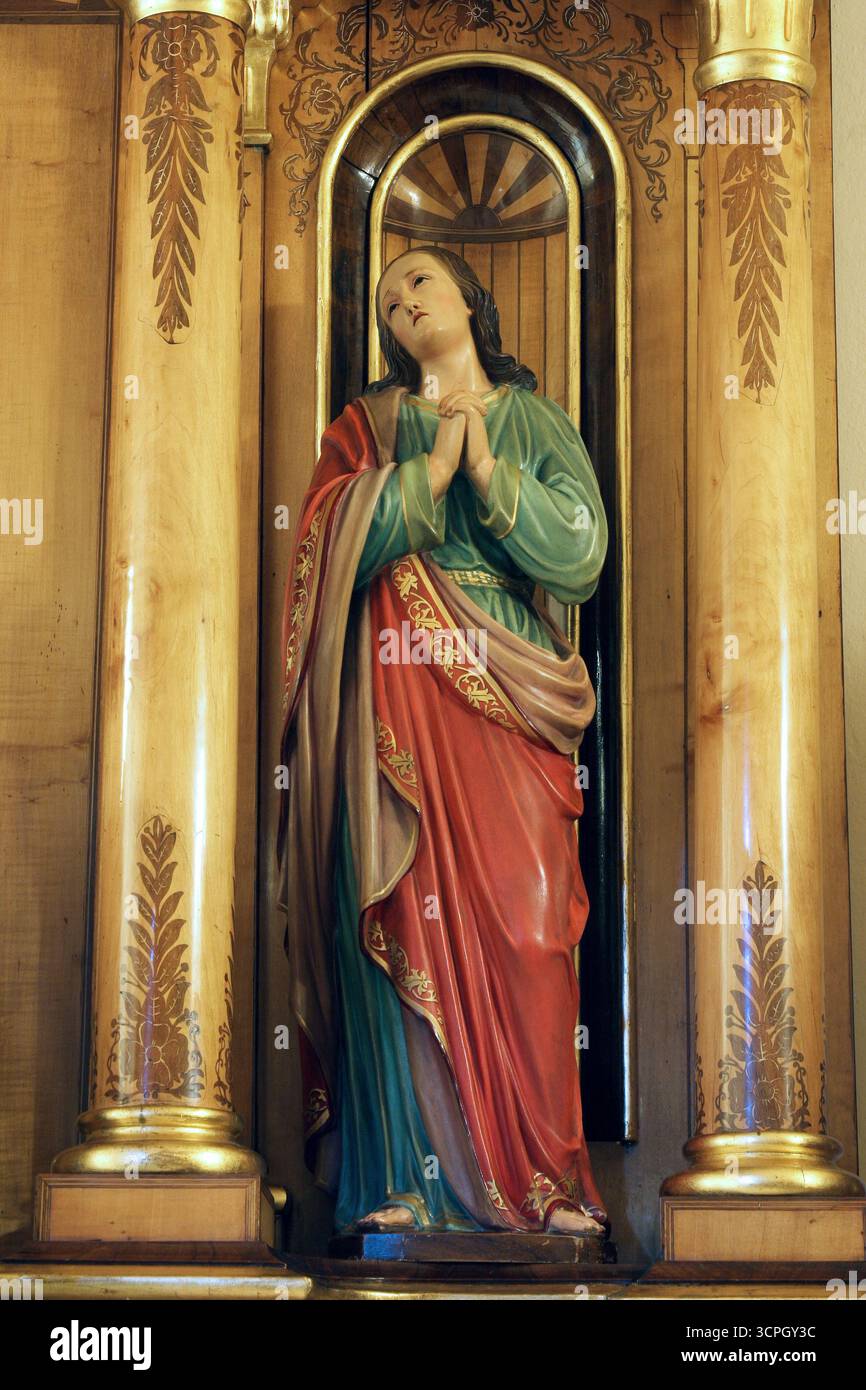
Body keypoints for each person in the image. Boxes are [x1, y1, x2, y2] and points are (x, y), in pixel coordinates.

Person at [278, 244, 609, 1236]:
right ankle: (403, 1181)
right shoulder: (367, 428)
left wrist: (491, 476)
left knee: (529, 927)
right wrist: (422, 474)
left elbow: (581, 548)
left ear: (470, 297)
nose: (400, 302)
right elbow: (319, 542)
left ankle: (546, 1184)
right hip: (394, 697)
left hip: (510, 691)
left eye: (418, 281)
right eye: (385, 299)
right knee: (400, 909)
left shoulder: (531, 419)